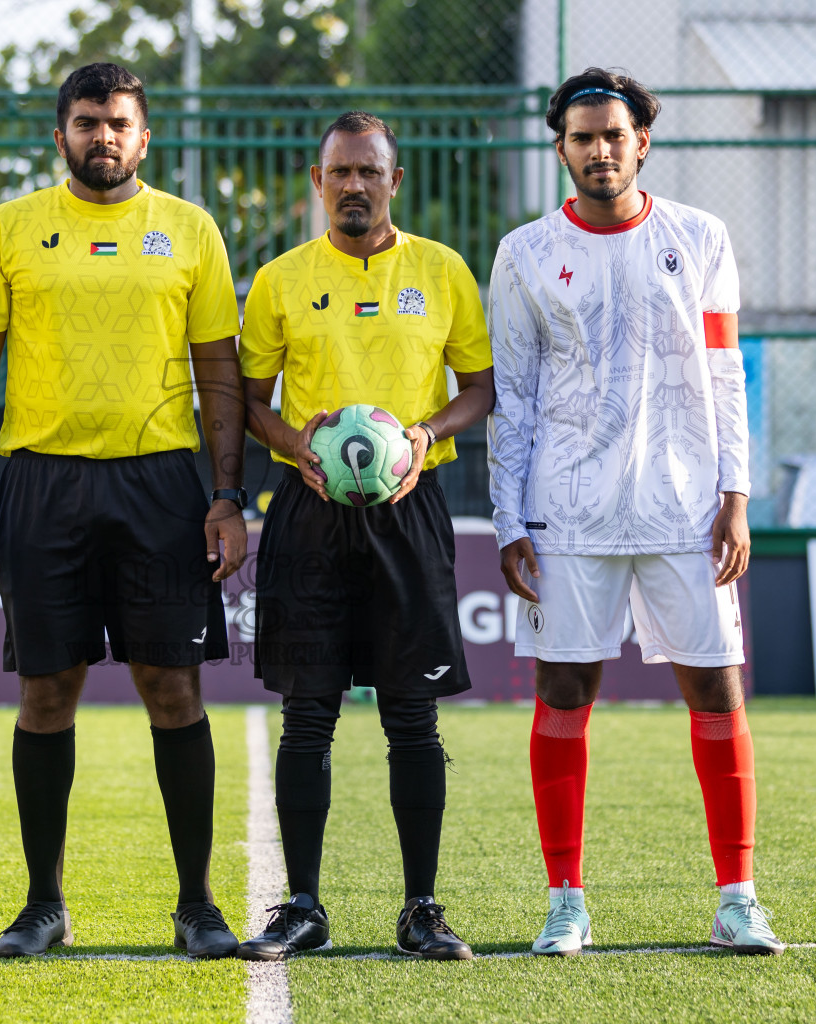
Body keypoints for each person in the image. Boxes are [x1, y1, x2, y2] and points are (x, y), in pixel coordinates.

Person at [0, 62, 247, 960]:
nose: (103, 137)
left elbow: (221, 373)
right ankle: (44, 903)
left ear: (143, 138)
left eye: (119, 123)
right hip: (41, 483)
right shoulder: (10, 229)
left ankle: (196, 904)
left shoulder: (190, 231)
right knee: (46, 692)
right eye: (87, 122)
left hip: (162, 485)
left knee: (172, 687)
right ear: (61, 136)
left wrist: (228, 495)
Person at [486, 68, 783, 956]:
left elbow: (726, 373)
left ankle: (738, 895)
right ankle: (565, 900)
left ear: (641, 141)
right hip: (569, 511)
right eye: (583, 137)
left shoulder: (700, 236)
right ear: (562, 148)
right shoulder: (524, 253)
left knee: (716, 688)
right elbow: (513, 393)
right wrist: (509, 519)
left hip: (685, 509)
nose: (601, 150)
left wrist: (735, 496)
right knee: (565, 691)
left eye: (615, 135)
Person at [237, 111, 495, 961]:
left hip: (409, 508)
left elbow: (480, 388)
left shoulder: (442, 271)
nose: (354, 185)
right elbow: (251, 402)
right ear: (319, 183)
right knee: (306, 715)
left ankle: (422, 907)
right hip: (309, 510)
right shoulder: (279, 280)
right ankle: (303, 906)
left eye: (369, 172)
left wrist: (424, 434)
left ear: (394, 180)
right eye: (339, 173)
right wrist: (294, 447)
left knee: (411, 715)